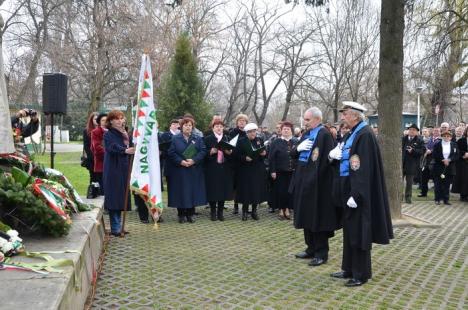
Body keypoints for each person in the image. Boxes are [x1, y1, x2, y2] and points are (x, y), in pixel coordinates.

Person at [328, 101, 393, 287]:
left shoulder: (364, 135)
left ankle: (361, 273)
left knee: (359, 233)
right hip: (348, 186)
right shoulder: (352, 133)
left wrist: (356, 195)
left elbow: (361, 168)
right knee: (350, 231)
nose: (342, 117)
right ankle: (348, 268)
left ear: (355, 116)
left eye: (345, 113)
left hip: (357, 191)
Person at [290, 107, 339, 267]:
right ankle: (310, 247)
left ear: (317, 119)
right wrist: (297, 149)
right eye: (305, 119)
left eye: (307, 119)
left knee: (318, 218)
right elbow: (294, 155)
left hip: (318, 185)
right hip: (304, 182)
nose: (305, 122)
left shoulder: (324, 135)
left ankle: (321, 252)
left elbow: (327, 161)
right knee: (306, 216)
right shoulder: (305, 134)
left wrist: (314, 179)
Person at [167, 117, 207, 223]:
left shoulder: (197, 138)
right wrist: (181, 161)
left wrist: (194, 160)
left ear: (192, 127)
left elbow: (203, 151)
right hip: (180, 170)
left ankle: (190, 214)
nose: (188, 127)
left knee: (192, 192)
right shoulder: (175, 138)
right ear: (181, 126)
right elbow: (171, 153)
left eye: (190, 125)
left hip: (193, 169)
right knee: (181, 192)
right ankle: (181, 214)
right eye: (185, 125)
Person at [102, 110, 135, 236]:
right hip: (113, 169)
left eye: (122, 118)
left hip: (124, 168)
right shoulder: (108, 134)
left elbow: (131, 146)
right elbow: (112, 147)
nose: (120, 121)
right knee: (114, 197)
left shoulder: (126, 133)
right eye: (117, 119)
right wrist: (125, 150)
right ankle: (115, 227)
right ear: (111, 121)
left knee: (122, 197)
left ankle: (120, 226)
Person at [234, 122, 267, 221]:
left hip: (257, 169)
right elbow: (236, 155)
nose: (253, 134)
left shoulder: (259, 140)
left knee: (256, 190)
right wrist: (244, 158)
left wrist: (264, 154)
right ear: (246, 133)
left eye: (254, 131)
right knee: (246, 191)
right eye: (251, 132)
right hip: (245, 170)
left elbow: (263, 154)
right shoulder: (241, 141)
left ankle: (254, 211)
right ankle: (244, 212)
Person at [203, 119, 234, 221]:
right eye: (217, 126)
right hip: (212, 168)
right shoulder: (208, 139)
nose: (219, 128)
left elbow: (233, 154)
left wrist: (229, 153)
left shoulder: (227, 138)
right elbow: (203, 153)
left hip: (225, 168)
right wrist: (210, 152)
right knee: (213, 190)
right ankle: (213, 212)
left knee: (223, 190)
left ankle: (220, 212)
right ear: (213, 128)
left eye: (221, 126)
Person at [268, 121, 298, 220]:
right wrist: (272, 171)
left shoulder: (296, 141)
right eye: (284, 129)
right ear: (281, 130)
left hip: (292, 171)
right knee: (281, 191)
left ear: (291, 131)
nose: (285, 130)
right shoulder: (275, 142)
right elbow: (271, 158)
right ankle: (281, 209)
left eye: (288, 129)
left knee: (290, 191)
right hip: (279, 171)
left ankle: (288, 209)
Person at [229, 114, 249, 215]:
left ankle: (246, 205)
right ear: (237, 122)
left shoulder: (248, 133)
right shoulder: (232, 133)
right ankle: (236, 206)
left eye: (244, 121)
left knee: (245, 184)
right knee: (236, 185)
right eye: (240, 121)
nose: (242, 122)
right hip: (235, 162)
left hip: (246, 162)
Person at [432, 131, 458, 205]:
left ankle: (446, 199)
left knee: (447, 185)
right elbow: (434, 154)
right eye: (444, 136)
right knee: (438, 184)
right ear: (442, 136)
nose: (446, 137)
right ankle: (437, 199)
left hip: (450, 167)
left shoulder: (454, 145)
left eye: (448, 136)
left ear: (451, 137)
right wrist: (442, 160)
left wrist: (449, 160)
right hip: (439, 167)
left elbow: (456, 155)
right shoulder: (437, 144)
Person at [401, 124, 425, 204]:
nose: (411, 131)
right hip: (401, 163)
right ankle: (399, 197)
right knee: (399, 182)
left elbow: (422, 151)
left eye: (414, 130)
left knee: (409, 182)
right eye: (410, 129)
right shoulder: (403, 139)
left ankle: (408, 197)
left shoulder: (419, 141)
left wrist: (413, 151)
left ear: (417, 132)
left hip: (412, 165)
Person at [419, 127, 441, 197]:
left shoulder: (441, 140)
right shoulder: (429, 139)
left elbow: (440, 149)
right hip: (427, 160)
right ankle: (423, 193)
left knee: (435, 179)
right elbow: (424, 146)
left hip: (435, 161)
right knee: (424, 177)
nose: (435, 132)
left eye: (437, 131)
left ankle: (437, 195)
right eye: (434, 131)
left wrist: (431, 151)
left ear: (440, 132)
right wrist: (426, 150)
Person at [91, 113, 107, 195]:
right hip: (101, 162)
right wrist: (108, 155)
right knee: (103, 188)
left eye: (106, 120)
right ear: (99, 122)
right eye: (103, 120)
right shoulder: (95, 132)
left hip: (111, 164)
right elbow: (96, 148)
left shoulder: (112, 131)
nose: (104, 122)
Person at [83, 112, 98, 198]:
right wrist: (93, 157)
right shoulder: (87, 131)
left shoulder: (103, 129)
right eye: (95, 119)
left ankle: (101, 193)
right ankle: (93, 194)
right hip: (91, 159)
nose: (97, 121)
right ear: (91, 120)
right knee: (93, 177)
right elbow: (86, 146)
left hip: (101, 159)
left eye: (98, 119)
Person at [451, 127, 468, 201]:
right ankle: (463, 195)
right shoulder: (461, 141)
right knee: (464, 180)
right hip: (463, 163)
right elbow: (457, 151)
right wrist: (464, 153)